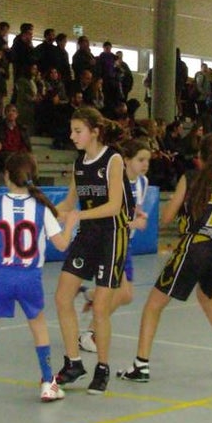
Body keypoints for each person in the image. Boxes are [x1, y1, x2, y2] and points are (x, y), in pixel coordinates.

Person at [0, 151, 80, 410]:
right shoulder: (42, 208)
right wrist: (71, 224)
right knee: (39, 327)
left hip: (0, 276)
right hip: (30, 277)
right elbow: (62, 245)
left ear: (6, 175)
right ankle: (47, 382)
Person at [118, 133, 212, 383]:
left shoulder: (190, 178)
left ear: (199, 155)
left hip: (196, 247)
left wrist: (181, 215)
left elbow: (166, 217)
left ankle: (141, 365)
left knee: (154, 304)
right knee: (206, 296)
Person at [51, 107, 131, 395]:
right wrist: (49, 212)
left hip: (112, 234)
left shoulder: (113, 159)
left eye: (78, 131)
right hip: (88, 235)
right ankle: (73, 363)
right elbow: (70, 203)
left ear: (94, 131)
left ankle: (103, 367)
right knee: (62, 297)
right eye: (71, 131)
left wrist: (77, 218)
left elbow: (114, 206)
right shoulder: (79, 164)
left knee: (100, 307)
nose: (72, 136)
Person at [78, 137, 151, 353]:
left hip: (124, 242)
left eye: (148, 160)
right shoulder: (112, 181)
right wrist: (131, 223)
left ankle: (91, 294)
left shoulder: (142, 182)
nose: (145, 164)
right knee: (122, 293)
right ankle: (89, 333)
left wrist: (139, 218)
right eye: (140, 159)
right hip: (107, 240)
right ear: (125, 160)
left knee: (126, 295)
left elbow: (135, 210)